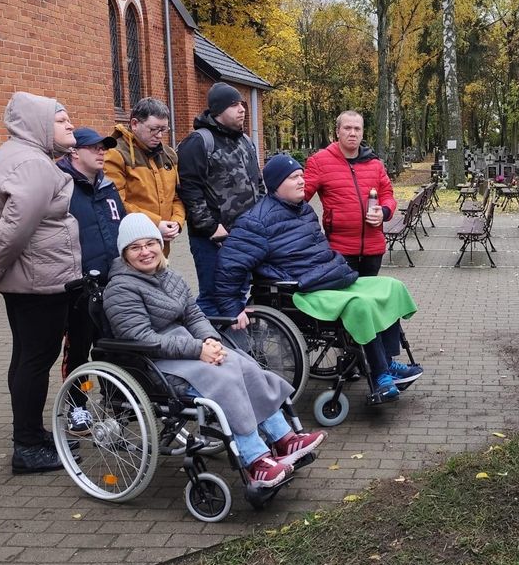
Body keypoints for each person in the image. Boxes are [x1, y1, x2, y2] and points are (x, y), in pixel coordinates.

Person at [103, 214, 326, 490]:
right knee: (225, 382)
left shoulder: (169, 276)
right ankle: (256, 461)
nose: (146, 252)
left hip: (190, 348)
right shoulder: (120, 288)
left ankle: (283, 439)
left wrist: (210, 340)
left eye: (151, 243)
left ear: (161, 244)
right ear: (125, 253)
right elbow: (141, 337)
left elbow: (194, 315)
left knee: (247, 367)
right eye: (136, 247)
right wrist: (198, 349)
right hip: (156, 361)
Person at [213, 154, 423, 399]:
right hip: (302, 291)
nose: (302, 181)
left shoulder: (303, 210)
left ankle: (386, 360)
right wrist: (231, 307)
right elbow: (229, 265)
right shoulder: (256, 222)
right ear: (276, 184)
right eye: (294, 177)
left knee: (390, 287)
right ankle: (380, 374)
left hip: (328, 278)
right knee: (361, 304)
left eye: (302, 175)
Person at [0, 92, 83, 474]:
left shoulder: (8, 156)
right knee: (35, 360)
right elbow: (14, 229)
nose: (70, 126)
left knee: (25, 356)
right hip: (41, 281)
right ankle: (28, 446)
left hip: (27, 280)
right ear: (39, 124)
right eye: (62, 121)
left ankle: (29, 433)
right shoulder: (33, 165)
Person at [177, 83, 265, 314]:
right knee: (213, 296)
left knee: (238, 293)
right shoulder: (198, 142)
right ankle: (205, 343)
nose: (242, 109)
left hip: (244, 235)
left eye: (242, 104)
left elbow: (258, 183)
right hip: (212, 240)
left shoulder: (245, 141)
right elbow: (189, 189)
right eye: (233, 105)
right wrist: (210, 227)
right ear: (217, 110)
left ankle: (234, 345)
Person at [57, 127, 124, 431]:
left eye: (104, 148)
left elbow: (119, 226)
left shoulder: (108, 187)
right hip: (80, 286)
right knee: (80, 346)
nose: (102, 153)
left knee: (111, 344)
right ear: (74, 152)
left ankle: (115, 400)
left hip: (113, 281)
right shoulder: (61, 187)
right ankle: (77, 405)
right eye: (94, 148)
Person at [304, 110, 397, 276]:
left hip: (373, 248)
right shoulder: (319, 162)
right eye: (347, 128)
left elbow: (388, 195)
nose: (352, 133)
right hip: (341, 248)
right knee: (346, 299)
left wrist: (384, 212)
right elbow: (299, 198)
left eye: (357, 129)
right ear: (337, 131)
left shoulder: (374, 163)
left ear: (362, 133)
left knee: (368, 298)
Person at [104, 97, 185, 255]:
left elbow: (177, 196)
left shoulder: (169, 155)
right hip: (133, 246)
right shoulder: (115, 154)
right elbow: (116, 203)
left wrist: (177, 222)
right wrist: (155, 223)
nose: (160, 135)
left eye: (164, 130)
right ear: (135, 124)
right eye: (154, 129)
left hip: (161, 245)